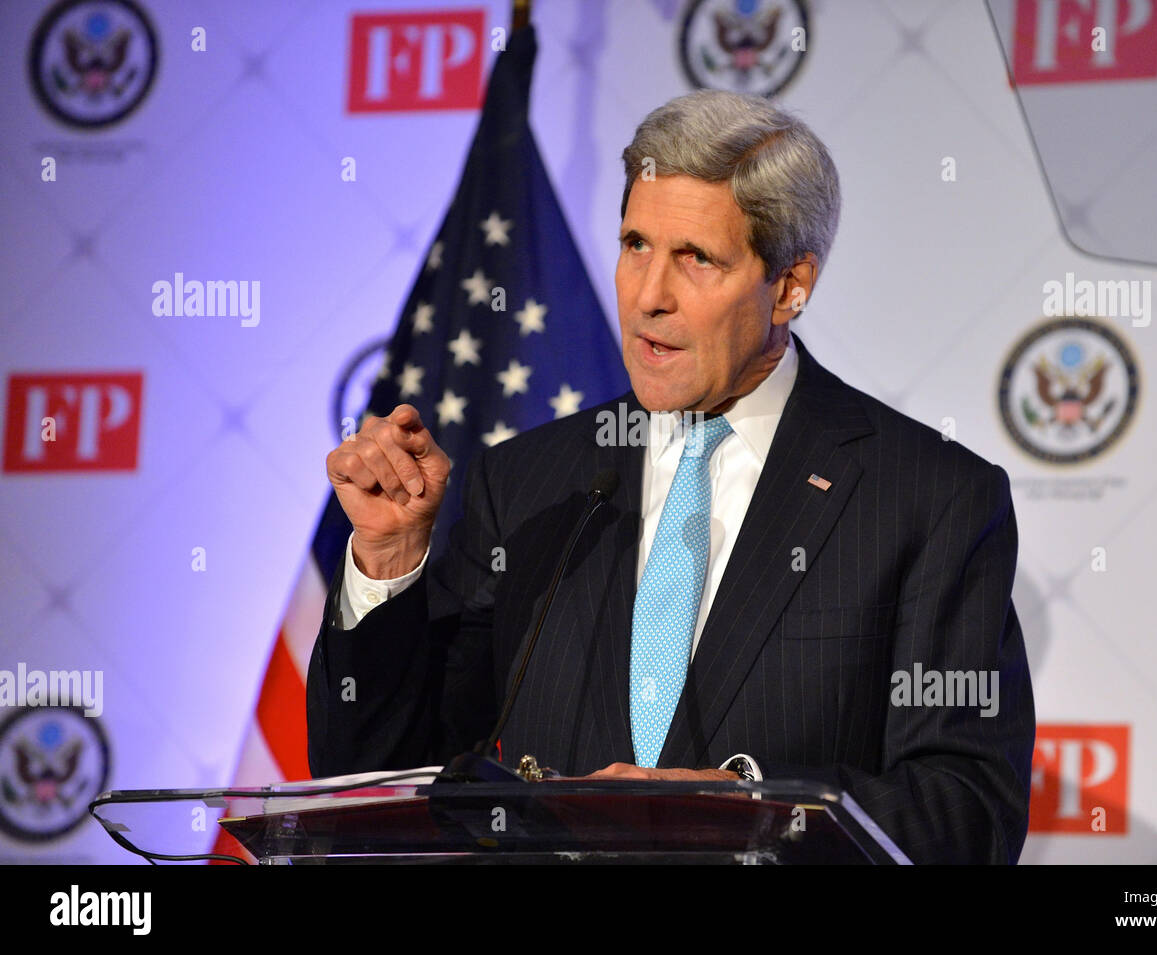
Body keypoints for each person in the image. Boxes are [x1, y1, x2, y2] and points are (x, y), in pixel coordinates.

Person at [307, 89, 1035, 864]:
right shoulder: (528, 483)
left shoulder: (925, 498)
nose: (649, 297)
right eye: (634, 245)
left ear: (790, 286)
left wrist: (744, 804)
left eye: (696, 259)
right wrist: (387, 563)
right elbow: (375, 775)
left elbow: (967, 810)